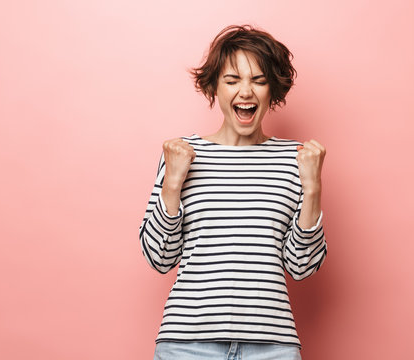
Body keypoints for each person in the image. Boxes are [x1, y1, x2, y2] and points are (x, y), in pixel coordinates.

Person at [139, 24, 327, 360]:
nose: (246, 92)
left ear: (273, 89)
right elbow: (159, 257)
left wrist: (312, 190)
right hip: (187, 345)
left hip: (272, 348)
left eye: (258, 80)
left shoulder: (296, 160)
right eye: (232, 80)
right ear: (213, 86)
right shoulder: (183, 154)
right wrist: (172, 184)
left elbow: (302, 266)